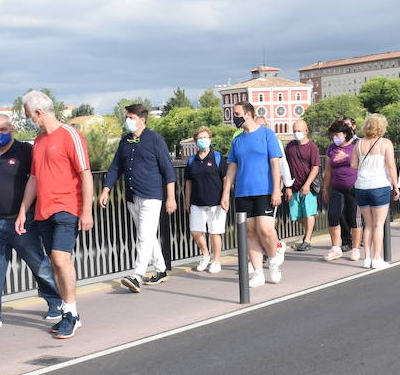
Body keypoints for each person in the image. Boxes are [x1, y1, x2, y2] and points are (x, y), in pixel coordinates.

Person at [15, 90, 93, 340]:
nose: (28, 119)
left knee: (61, 260)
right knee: (55, 264)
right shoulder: (38, 142)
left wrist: (86, 211)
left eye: (28, 115)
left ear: (39, 112)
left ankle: (71, 314)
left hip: (67, 208)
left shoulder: (70, 135)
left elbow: (85, 174)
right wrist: (23, 211)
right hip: (43, 212)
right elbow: (34, 180)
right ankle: (68, 312)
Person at [0, 112, 64, 329]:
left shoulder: (25, 151)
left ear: (11, 128)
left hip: (22, 221)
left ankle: (56, 302)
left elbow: (38, 178)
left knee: (38, 264)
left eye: (3, 130)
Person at [99, 103, 177, 294]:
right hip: (132, 196)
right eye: (127, 117)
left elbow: (168, 170)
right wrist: (106, 189)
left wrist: (171, 197)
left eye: (131, 117)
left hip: (152, 195)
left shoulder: (155, 139)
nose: (127, 120)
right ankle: (160, 269)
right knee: (148, 235)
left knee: (143, 235)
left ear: (142, 120)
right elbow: (115, 167)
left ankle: (137, 275)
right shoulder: (125, 141)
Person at [220, 102, 285, 287]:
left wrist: (276, 190)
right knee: (250, 232)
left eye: (237, 113)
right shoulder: (237, 140)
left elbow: (275, 164)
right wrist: (225, 193)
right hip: (243, 192)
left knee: (265, 229)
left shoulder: (267, 134)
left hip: (265, 190)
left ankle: (273, 259)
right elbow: (232, 168)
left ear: (248, 114)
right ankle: (257, 272)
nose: (235, 117)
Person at [351, 113, 400, 268]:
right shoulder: (385, 143)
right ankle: (377, 258)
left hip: (361, 187)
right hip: (379, 185)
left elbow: (353, 164)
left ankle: (367, 258)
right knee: (379, 225)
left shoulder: (358, 144)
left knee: (368, 224)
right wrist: (396, 186)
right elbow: (391, 166)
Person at [183, 126, 226, 274]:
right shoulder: (191, 161)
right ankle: (205, 254)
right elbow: (188, 182)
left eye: (205, 138)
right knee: (195, 232)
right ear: (195, 141)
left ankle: (216, 260)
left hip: (216, 202)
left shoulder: (218, 157)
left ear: (210, 139)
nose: (203, 141)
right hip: (197, 202)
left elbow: (226, 178)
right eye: (200, 138)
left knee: (215, 232)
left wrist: (225, 197)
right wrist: (186, 201)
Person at [322, 119, 363, 261]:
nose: (335, 137)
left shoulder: (356, 145)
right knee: (333, 215)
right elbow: (327, 170)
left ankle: (356, 248)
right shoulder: (331, 148)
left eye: (337, 134)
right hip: (336, 187)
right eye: (333, 135)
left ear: (345, 133)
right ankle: (335, 248)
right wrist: (325, 188)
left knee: (354, 218)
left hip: (353, 187)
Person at [284, 119, 321, 251]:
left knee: (309, 213)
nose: (296, 133)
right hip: (293, 186)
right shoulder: (289, 147)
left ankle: (307, 240)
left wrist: (307, 184)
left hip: (308, 187)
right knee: (296, 215)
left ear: (306, 131)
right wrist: (287, 187)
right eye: (294, 130)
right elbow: (285, 167)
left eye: (299, 130)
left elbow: (315, 167)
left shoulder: (312, 147)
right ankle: (309, 232)